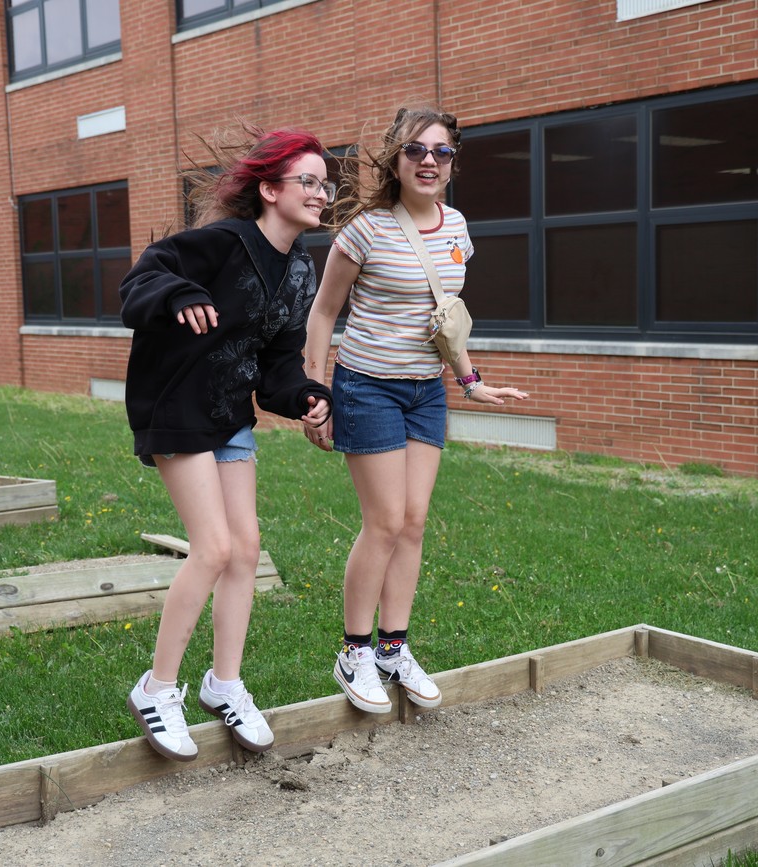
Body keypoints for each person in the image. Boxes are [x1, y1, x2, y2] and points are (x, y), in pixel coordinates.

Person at [302, 105, 529, 714]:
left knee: (414, 521)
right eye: (416, 150)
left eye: (442, 152)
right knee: (384, 521)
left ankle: (393, 648)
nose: (429, 161)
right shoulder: (365, 230)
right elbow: (324, 314)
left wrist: (470, 380)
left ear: (453, 162)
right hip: (367, 385)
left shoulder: (457, 228)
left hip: (426, 390)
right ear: (395, 158)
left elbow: (444, 323)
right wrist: (315, 394)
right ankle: (353, 651)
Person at [120, 125, 334, 760]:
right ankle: (157, 689)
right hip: (177, 407)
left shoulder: (300, 269)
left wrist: (303, 395)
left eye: (326, 184)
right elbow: (140, 281)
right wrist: (180, 291)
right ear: (270, 189)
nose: (322, 193)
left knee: (245, 549)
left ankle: (225, 684)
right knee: (211, 548)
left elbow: (278, 364)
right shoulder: (220, 244)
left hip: (231, 414)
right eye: (308, 182)